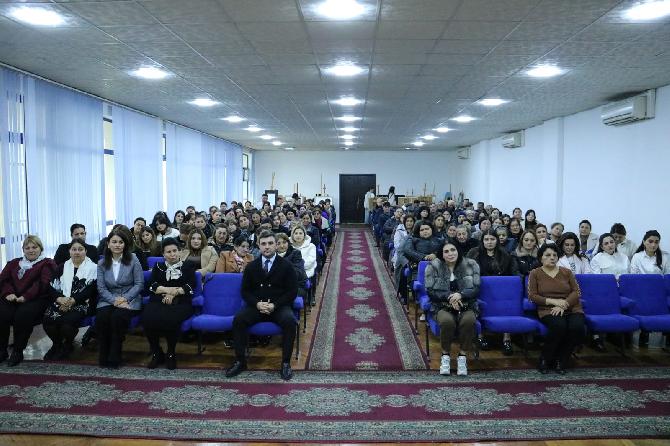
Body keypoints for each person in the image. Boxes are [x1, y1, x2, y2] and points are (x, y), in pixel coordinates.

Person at [225, 231, 299, 381]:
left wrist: (275, 305)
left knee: (290, 321)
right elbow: (245, 291)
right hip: (257, 306)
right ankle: (240, 361)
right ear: (258, 246)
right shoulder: (251, 266)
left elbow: (292, 292)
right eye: (263, 244)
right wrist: (257, 304)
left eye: (270, 243)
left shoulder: (286, 265)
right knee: (239, 320)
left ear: (276, 245)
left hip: (278, 307)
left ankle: (285, 363)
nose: (267, 247)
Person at [425, 242, 480, 376]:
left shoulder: (471, 264)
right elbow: (430, 291)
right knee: (447, 322)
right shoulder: (433, 266)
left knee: (469, 320)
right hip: (442, 305)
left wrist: (461, 295)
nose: (450, 253)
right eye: (446, 251)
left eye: (453, 250)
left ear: (458, 251)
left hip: (466, 304)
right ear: (442, 255)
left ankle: (462, 356)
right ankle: (445, 356)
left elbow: (476, 289)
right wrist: (450, 297)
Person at [528, 244, 585, 374]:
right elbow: (533, 296)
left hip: (571, 307)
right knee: (559, 326)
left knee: (577, 327)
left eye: (554, 255)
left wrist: (563, 304)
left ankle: (561, 360)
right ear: (541, 258)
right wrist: (554, 302)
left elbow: (576, 292)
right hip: (548, 309)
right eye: (548, 255)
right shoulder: (535, 273)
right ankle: (545, 358)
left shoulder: (567, 272)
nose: (552, 257)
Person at [0, 236, 56, 366]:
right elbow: (4, 280)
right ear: (23, 250)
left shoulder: (47, 263)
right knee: (2, 312)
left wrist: (26, 296)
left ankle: (17, 351)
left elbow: (43, 283)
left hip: (36, 298)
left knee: (23, 314)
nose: (31, 250)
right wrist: (8, 293)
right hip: (13, 297)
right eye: (27, 248)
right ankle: (2, 350)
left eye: (34, 247)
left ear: (40, 248)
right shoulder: (14, 263)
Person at [143, 238, 196, 370]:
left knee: (171, 319)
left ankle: (171, 353)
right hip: (159, 299)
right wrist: (168, 291)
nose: (172, 254)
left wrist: (174, 294)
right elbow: (153, 285)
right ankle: (156, 351)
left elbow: (190, 286)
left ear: (179, 251)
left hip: (181, 301)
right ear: (163, 254)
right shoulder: (158, 266)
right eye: (168, 252)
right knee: (147, 318)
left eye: (174, 251)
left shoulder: (188, 266)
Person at [95, 228, 144, 368]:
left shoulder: (133, 259)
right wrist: (114, 301)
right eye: (114, 242)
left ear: (125, 244)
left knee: (117, 318)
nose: (117, 245)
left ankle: (114, 357)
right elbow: (101, 288)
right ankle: (103, 356)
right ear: (108, 244)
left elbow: (139, 284)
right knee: (102, 317)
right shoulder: (101, 263)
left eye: (121, 242)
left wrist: (125, 299)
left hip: (130, 299)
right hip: (108, 299)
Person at [43, 238, 97, 360]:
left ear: (85, 251)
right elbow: (51, 286)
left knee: (66, 323)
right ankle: (57, 345)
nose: (77, 252)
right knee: (47, 320)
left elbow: (91, 290)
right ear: (69, 251)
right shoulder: (62, 267)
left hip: (83, 303)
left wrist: (72, 301)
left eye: (80, 249)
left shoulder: (93, 268)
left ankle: (67, 344)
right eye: (74, 249)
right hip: (61, 301)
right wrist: (59, 299)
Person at [467, 229, 519, 354]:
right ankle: (480, 336)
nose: (489, 242)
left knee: (507, 304)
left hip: (500, 290)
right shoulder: (474, 253)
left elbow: (513, 274)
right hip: (480, 289)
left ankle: (507, 339)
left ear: (497, 240)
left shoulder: (505, 254)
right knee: (476, 303)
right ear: (482, 241)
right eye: (486, 239)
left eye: (492, 239)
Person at [276, 233, 308, 300]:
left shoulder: (296, 253)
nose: (282, 246)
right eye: (278, 244)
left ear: (288, 243)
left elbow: (297, 273)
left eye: (284, 242)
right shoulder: (272, 256)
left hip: (296, 285)